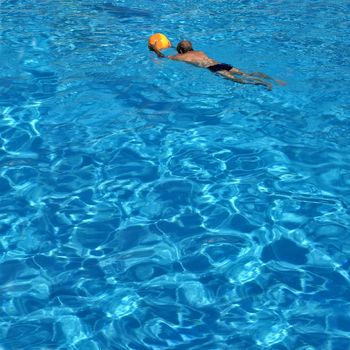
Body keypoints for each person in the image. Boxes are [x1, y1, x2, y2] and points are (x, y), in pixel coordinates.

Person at [149, 40, 284, 90]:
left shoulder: (180, 56)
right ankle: (273, 79)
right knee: (246, 74)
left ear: (180, 50)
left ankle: (264, 84)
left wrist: (155, 49)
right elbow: (183, 51)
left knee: (240, 81)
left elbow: (163, 56)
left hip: (213, 68)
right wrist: (172, 45)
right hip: (221, 63)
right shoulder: (199, 51)